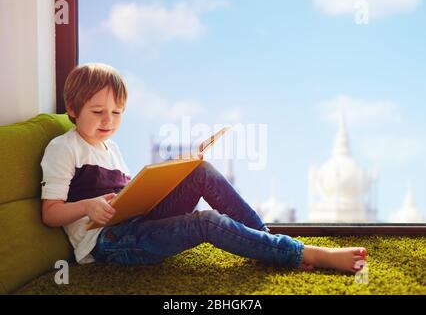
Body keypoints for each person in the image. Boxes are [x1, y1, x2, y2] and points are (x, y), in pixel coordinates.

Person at [41, 63, 367, 273]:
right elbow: (50, 213)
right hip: (108, 243)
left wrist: (170, 173)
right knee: (205, 222)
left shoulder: (110, 148)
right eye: (98, 111)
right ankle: (301, 253)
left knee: (200, 171)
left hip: (133, 222)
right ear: (72, 108)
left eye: (117, 113)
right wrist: (87, 207)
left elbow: (128, 197)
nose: (108, 121)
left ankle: (268, 244)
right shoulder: (63, 148)